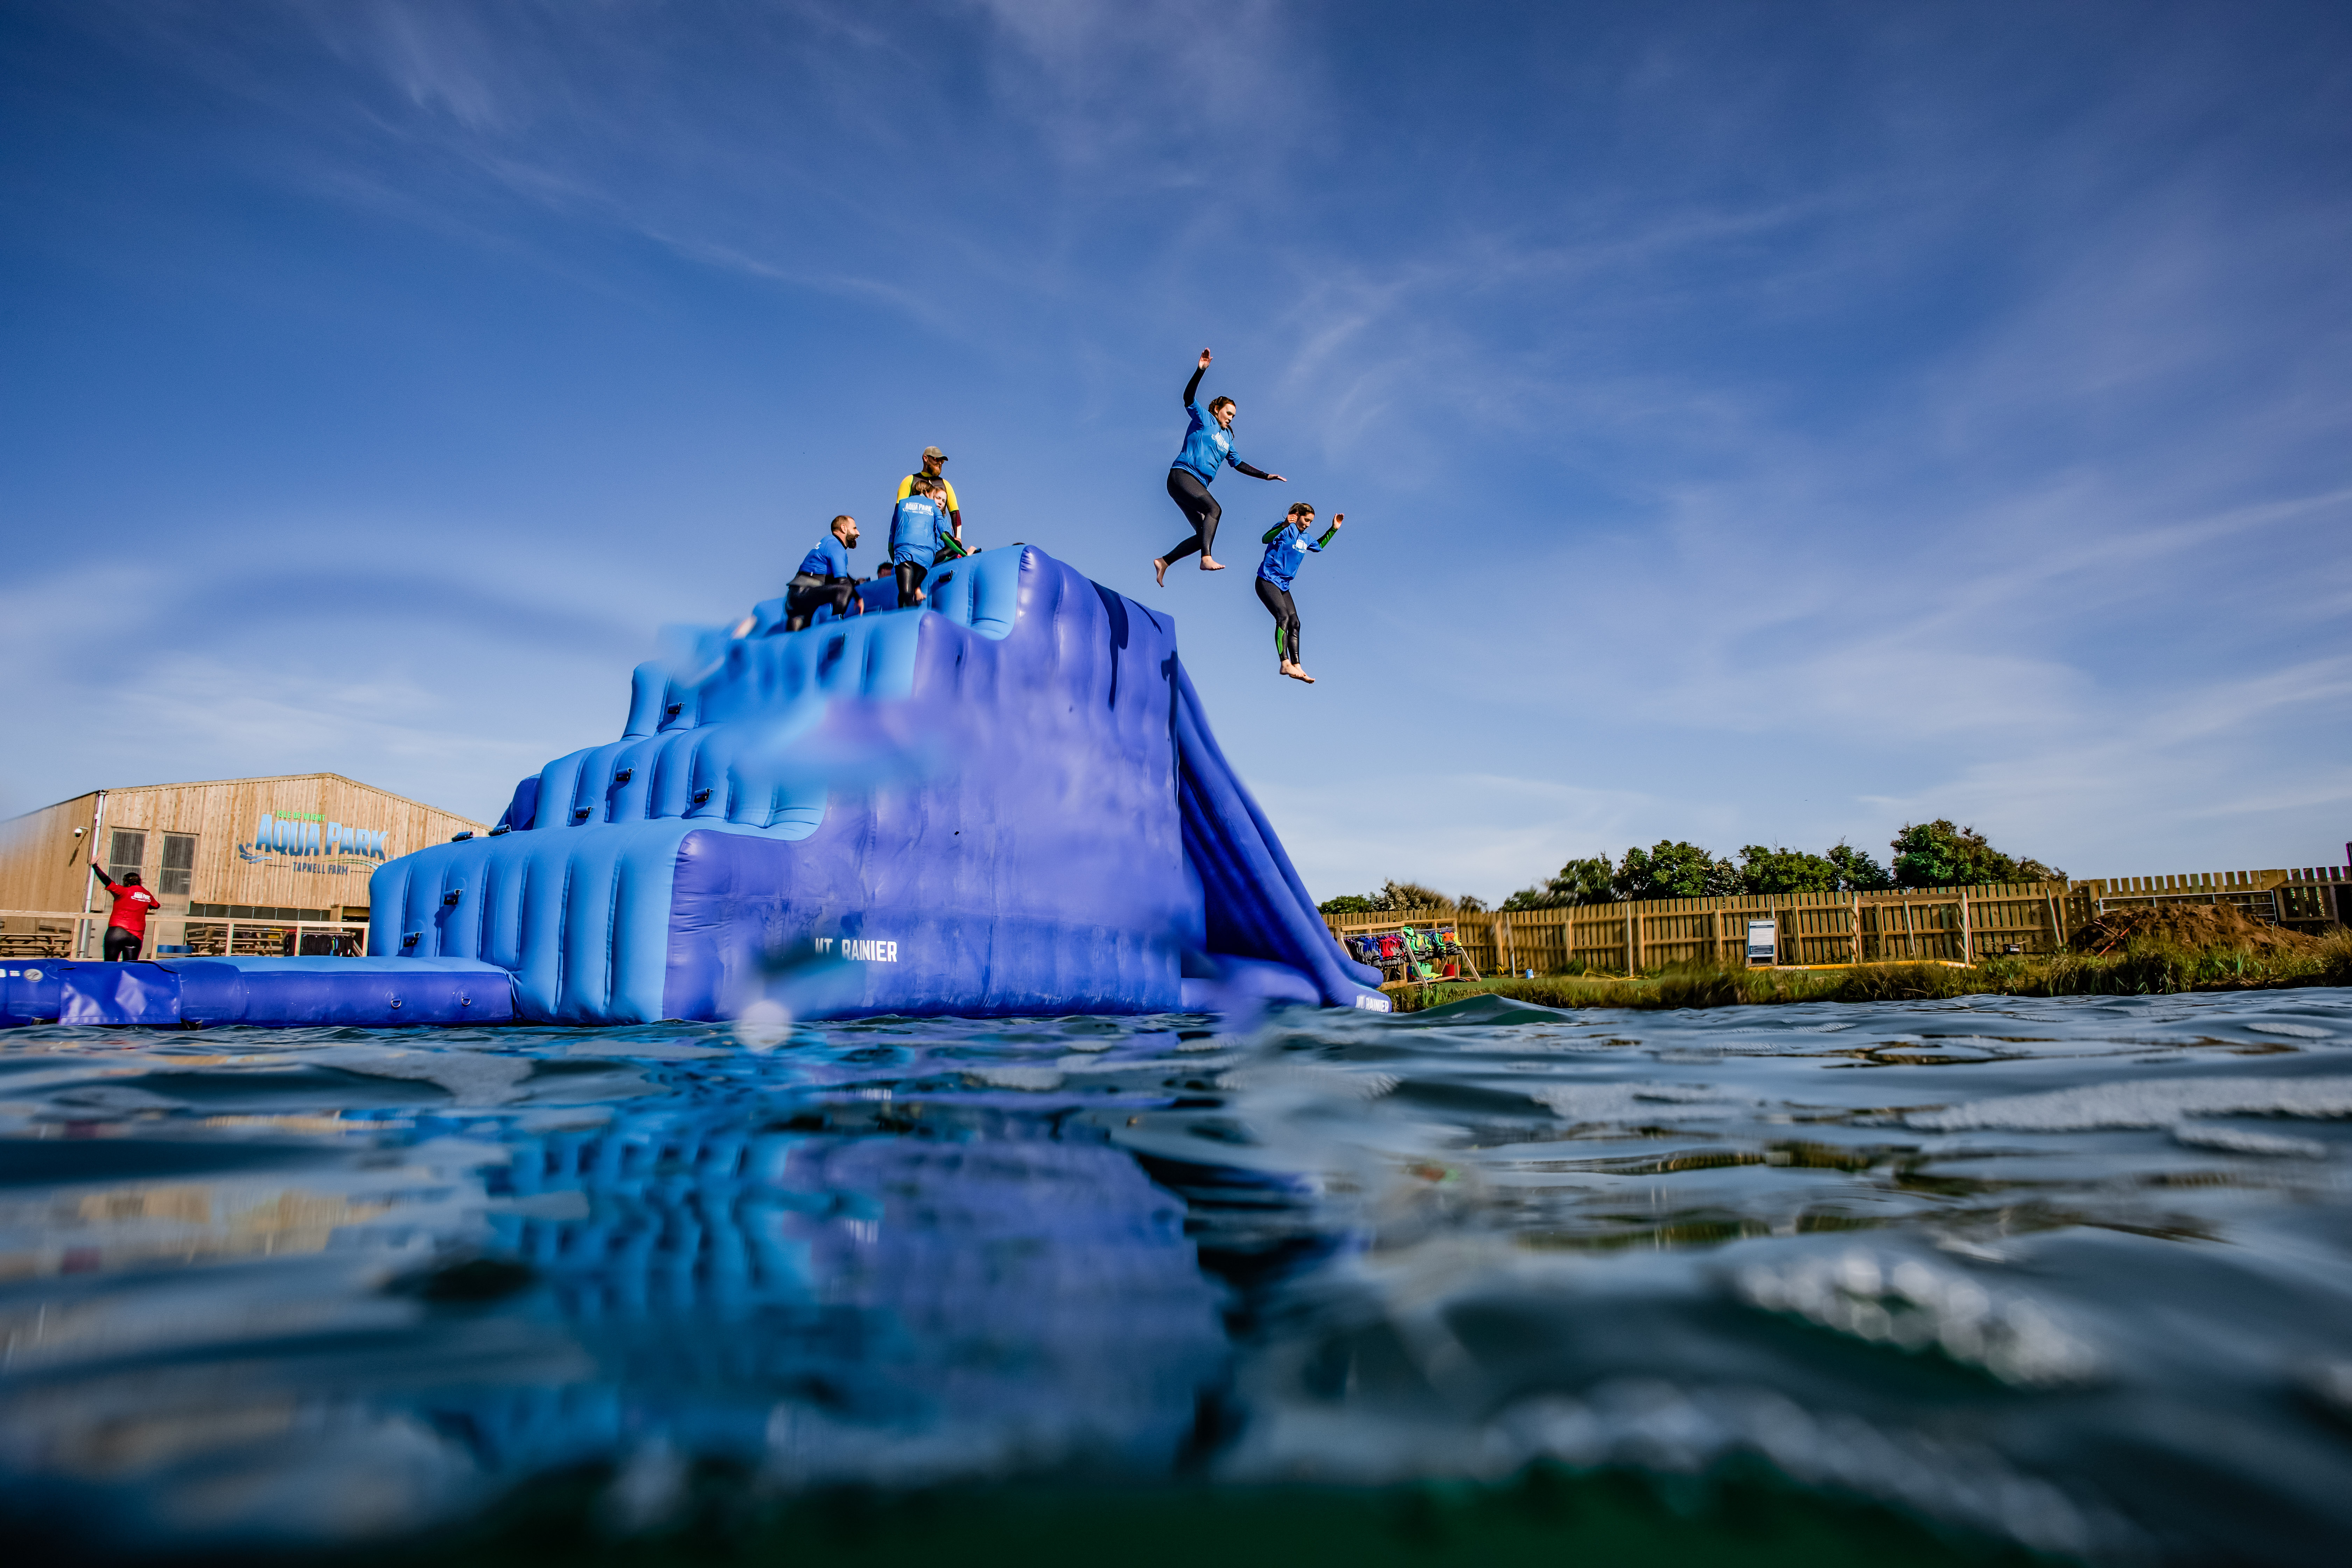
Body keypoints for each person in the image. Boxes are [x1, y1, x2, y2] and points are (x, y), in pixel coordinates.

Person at [1154, 348, 1286, 585]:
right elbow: (1188, 398)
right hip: (1182, 476)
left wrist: (1266, 476)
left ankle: (1164, 562)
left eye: (1234, 416)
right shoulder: (1205, 419)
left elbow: (1239, 464)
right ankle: (1207, 558)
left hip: (1195, 486)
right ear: (1217, 410)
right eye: (1229, 413)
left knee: (1203, 532)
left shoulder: (1229, 440)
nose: (1231, 418)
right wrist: (1200, 371)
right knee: (1215, 510)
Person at [1255, 503, 1342, 683]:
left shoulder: (1306, 538)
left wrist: (1334, 529)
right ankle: (1284, 663)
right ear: (1296, 516)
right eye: (1306, 520)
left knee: (1295, 623)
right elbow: (1265, 539)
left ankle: (1297, 666)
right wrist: (1284, 525)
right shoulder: (1285, 529)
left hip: (1284, 586)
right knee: (1283, 618)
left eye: (1311, 522)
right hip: (1267, 581)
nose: (1308, 524)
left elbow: (1319, 546)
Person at [784, 514, 864, 632]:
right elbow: (842, 582)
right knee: (845, 588)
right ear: (844, 528)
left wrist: (857, 590)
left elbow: (843, 575)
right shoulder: (836, 547)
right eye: (854, 529)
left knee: (797, 639)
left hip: (796, 596)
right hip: (804, 592)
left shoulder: (828, 541)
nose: (858, 533)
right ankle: (836, 629)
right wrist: (858, 598)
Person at [889, 475, 955, 608]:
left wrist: (894, 559)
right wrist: (957, 547)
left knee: (906, 593)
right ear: (926, 492)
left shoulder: (902, 504)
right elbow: (945, 534)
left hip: (904, 553)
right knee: (909, 591)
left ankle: (910, 621)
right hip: (926, 557)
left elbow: (892, 536)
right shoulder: (933, 507)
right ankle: (914, 619)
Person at [88, 858, 162, 961]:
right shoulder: (148, 895)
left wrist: (95, 866)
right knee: (130, 966)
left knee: (111, 965)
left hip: (117, 932)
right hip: (136, 936)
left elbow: (108, 882)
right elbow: (156, 906)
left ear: (127, 883)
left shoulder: (123, 891)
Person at [896, 447, 963, 539]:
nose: (940, 463)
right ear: (926, 458)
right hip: (915, 535)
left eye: (942, 461)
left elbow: (955, 513)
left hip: (940, 539)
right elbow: (899, 510)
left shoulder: (945, 485)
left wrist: (958, 538)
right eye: (936, 459)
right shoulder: (910, 481)